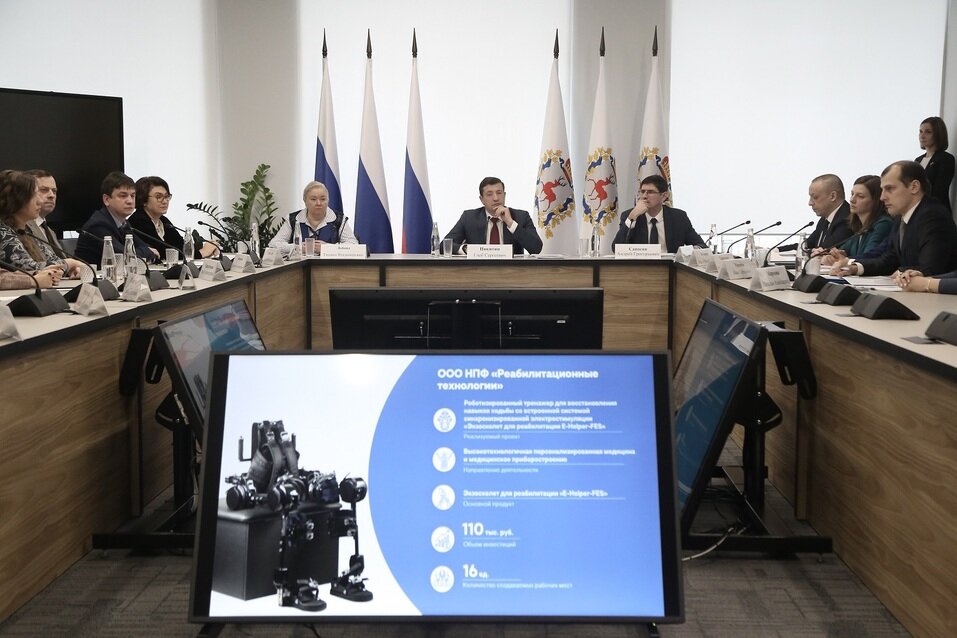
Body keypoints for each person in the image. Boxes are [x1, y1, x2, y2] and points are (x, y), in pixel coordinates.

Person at [834, 161, 957, 276]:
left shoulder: (933, 216)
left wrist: (900, 272)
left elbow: (930, 269)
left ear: (914, 187)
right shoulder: (901, 218)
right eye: (882, 190)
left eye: (889, 189)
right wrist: (855, 268)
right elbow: (888, 260)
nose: (882, 197)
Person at [0, 169, 82, 284]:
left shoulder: (25, 231)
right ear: (16, 200)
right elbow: (28, 267)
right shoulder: (3, 231)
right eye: (34, 195)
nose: (39, 201)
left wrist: (69, 267)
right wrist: (69, 264)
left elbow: (51, 260)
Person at [74, 171, 161, 266]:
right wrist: (147, 252)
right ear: (106, 200)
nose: (130, 201)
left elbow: (145, 247)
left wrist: (146, 251)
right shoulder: (98, 225)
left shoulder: (124, 224)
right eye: (123, 196)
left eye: (132, 195)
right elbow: (123, 257)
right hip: (90, 275)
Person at [444, 177, 543, 255]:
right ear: (482, 199)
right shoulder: (469, 218)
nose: (496, 198)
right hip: (478, 271)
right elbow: (445, 245)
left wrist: (510, 223)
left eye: (499, 193)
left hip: (512, 271)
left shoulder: (521, 217)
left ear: (504, 195)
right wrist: (465, 249)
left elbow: (536, 248)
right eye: (489, 194)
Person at [128, 176, 219, 259]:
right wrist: (202, 253)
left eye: (167, 196)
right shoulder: (138, 221)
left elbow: (180, 246)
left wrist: (209, 247)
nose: (165, 201)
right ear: (143, 200)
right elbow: (163, 252)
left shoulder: (163, 221)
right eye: (159, 197)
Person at [611, 174, 705, 251]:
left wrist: (686, 252)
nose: (644, 196)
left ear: (664, 196)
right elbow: (616, 249)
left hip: (670, 267)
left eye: (650, 192)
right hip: (640, 267)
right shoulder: (629, 216)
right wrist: (632, 217)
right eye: (642, 191)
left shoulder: (678, 217)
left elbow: (701, 246)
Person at [269, 181, 357, 256]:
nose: (318, 203)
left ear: (328, 200)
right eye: (313, 199)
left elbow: (354, 245)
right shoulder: (293, 219)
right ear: (305, 201)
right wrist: (298, 248)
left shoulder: (339, 219)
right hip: (299, 268)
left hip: (332, 268)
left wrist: (328, 248)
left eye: (323, 199)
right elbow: (273, 245)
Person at [820, 175, 893, 265]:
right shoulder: (860, 226)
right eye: (852, 194)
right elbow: (842, 250)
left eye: (860, 196)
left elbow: (869, 256)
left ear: (876, 201)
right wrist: (831, 255)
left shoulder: (883, 224)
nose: (852, 200)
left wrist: (845, 260)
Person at [806, 174, 853, 253]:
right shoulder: (824, 219)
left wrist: (809, 251)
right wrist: (781, 249)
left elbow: (824, 250)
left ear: (833, 196)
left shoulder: (847, 219)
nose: (810, 203)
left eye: (815, 197)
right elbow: (806, 245)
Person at [24, 169, 65, 258]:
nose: (52, 195)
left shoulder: (50, 231)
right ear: (25, 193)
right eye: (44, 190)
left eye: (54, 191)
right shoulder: (21, 227)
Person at [916, 116, 954, 211]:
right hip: (918, 211)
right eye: (920, 131)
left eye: (928, 132)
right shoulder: (918, 160)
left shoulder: (945, 158)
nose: (922, 136)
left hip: (936, 211)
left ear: (938, 134)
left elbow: (939, 191)